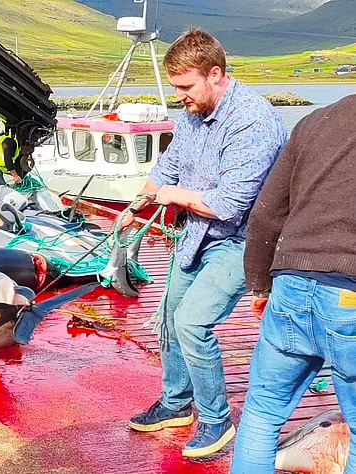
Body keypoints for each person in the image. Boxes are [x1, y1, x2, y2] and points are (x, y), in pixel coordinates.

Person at [118, 28, 287, 458]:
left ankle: (217, 421)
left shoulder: (252, 121)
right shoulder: (192, 113)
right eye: (174, 86)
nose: (179, 96)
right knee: (170, 318)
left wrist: (173, 196)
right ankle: (177, 404)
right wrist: (137, 204)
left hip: (242, 241)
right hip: (196, 235)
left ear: (215, 74)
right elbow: (169, 165)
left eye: (185, 86)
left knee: (193, 322)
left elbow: (231, 204)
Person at [230, 95, 356, 473]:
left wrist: (260, 286)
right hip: (349, 294)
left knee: (263, 413)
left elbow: (266, 213)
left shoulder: (317, 121)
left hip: (291, 285)